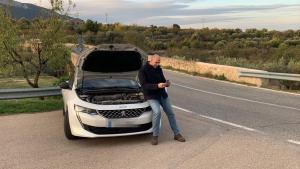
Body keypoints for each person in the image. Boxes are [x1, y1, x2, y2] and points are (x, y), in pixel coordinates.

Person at [138, 53, 186, 145]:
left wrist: (167, 83)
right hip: (151, 96)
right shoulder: (143, 70)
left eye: (159, 62)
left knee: (171, 113)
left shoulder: (159, 68)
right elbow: (144, 86)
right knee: (157, 112)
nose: (158, 64)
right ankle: (155, 136)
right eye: (156, 62)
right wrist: (157, 85)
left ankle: (177, 134)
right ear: (150, 60)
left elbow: (163, 80)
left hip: (162, 95)